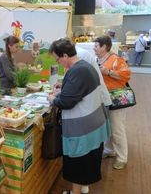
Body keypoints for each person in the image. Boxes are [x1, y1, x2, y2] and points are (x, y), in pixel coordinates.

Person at [47, 38, 110, 194]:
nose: (58, 62)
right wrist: (65, 86)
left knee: (80, 165)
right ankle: (78, 190)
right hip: (93, 125)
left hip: (84, 130)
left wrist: (53, 99)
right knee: (83, 165)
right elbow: (80, 89)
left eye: (57, 59)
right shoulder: (84, 66)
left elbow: (66, 102)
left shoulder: (77, 70)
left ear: (65, 56)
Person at [94, 36, 131, 170]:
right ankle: (109, 151)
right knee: (108, 126)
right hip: (104, 98)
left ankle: (122, 158)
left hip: (116, 98)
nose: (94, 48)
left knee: (117, 129)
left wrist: (108, 72)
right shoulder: (97, 59)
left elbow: (126, 75)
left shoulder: (116, 59)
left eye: (97, 46)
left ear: (104, 47)